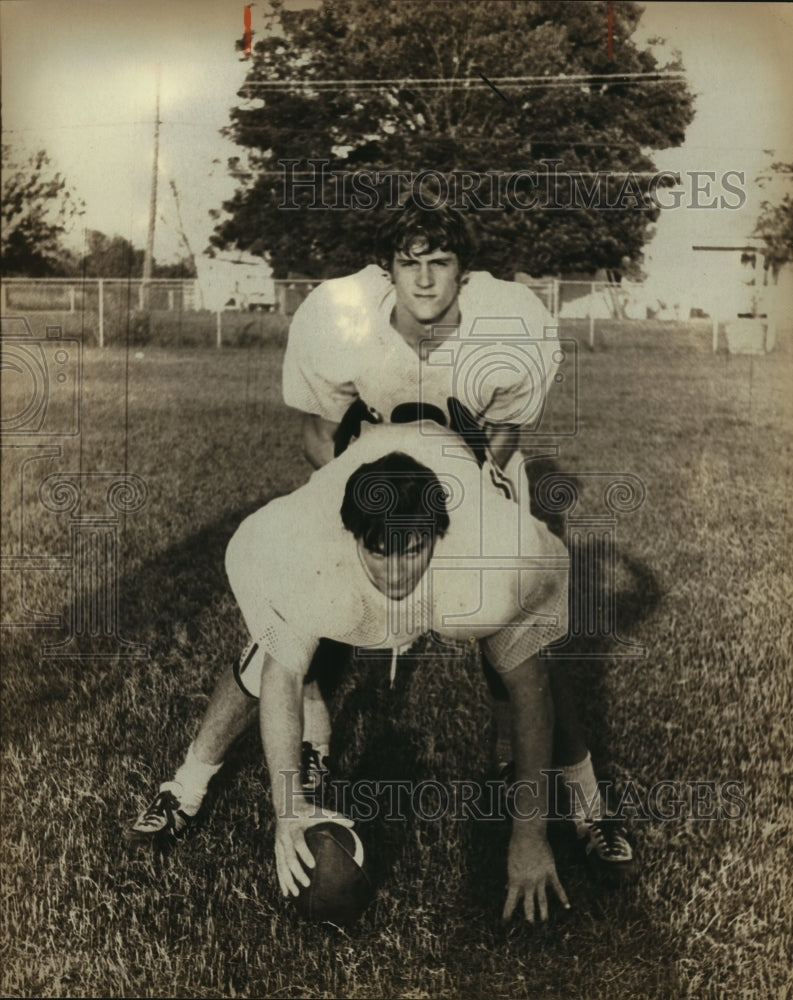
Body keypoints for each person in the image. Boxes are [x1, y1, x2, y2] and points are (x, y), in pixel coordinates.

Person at [128, 201, 634, 881]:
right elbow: (316, 433)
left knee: (519, 647)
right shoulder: (344, 328)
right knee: (283, 636)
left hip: (468, 490)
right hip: (365, 482)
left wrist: (470, 498)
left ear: (463, 272)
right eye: (409, 263)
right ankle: (187, 784)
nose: (424, 280)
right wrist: (353, 511)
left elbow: (506, 434)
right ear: (388, 271)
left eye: (440, 263)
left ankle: (585, 805)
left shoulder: (503, 329)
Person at [232, 420, 569, 921]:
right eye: (378, 550)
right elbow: (280, 676)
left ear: (437, 534)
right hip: (362, 450)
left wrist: (530, 837)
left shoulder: (490, 558)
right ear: (353, 537)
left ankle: (559, 785)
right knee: (299, 633)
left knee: (507, 645)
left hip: (456, 453)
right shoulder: (311, 546)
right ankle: (195, 777)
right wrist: (289, 807)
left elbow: (530, 689)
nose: (394, 572)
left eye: (410, 550)